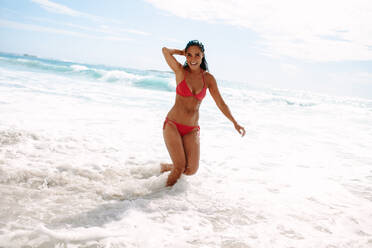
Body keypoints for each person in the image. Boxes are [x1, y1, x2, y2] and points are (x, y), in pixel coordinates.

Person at [161, 40, 246, 187]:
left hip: (191, 129)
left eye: (197, 55)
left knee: (190, 170)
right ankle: (159, 199)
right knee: (180, 167)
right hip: (173, 125)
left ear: (203, 56)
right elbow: (165, 51)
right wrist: (180, 52)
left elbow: (221, 103)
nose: (193, 59)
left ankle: (165, 167)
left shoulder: (208, 79)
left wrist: (234, 122)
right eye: (189, 55)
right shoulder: (180, 71)